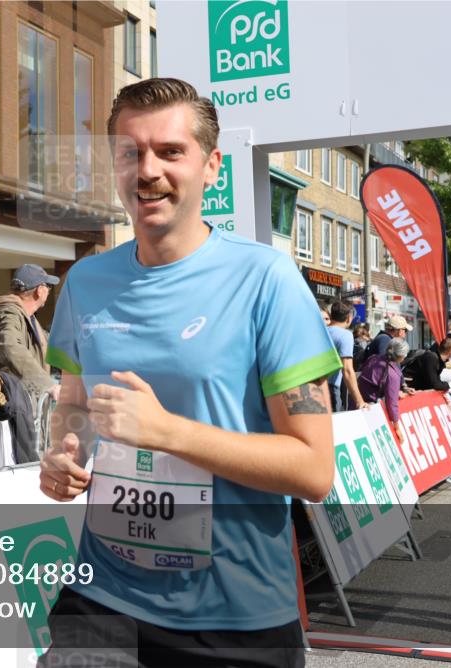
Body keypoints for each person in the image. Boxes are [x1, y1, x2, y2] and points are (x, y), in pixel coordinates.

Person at [38, 78, 341, 667]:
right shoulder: (85, 283)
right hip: (103, 599)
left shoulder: (267, 281)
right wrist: (65, 452)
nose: (148, 169)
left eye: (171, 152)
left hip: (234, 617)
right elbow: (73, 403)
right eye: (131, 152)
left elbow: (313, 469)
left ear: (212, 167)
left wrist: (167, 431)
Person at [0, 263, 60, 406]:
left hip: (24, 404)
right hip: (11, 406)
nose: (49, 291)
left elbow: (50, 343)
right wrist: (46, 383)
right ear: (39, 290)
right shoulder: (9, 312)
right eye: (48, 287)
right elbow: (10, 346)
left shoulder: (28, 317)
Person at [358, 337, 410, 441]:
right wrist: (397, 428)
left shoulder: (374, 358)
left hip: (356, 399)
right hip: (369, 407)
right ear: (401, 356)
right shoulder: (392, 374)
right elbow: (392, 403)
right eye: (405, 354)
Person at [327, 301, 366, 412]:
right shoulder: (345, 335)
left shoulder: (321, 331)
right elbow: (347, 370)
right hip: (331, 387)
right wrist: (360, 401)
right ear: (349, 318)